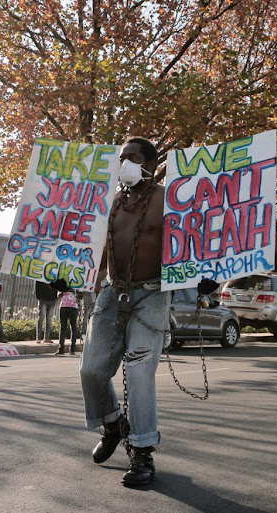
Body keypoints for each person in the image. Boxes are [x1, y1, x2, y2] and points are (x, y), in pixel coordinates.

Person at [79, 136, 169, 487]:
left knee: (139, 368)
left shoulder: (168, 200)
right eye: (121, 158)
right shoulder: (113, 203)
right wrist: (70, 275)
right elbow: (98, 254)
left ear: (150, 163)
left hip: (152, 293)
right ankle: (114, 422)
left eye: (131, 157)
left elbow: (192, 244)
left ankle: (143, 453)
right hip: (111, 293)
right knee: (91, 369)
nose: (124, 164)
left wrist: (203, 278)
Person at [56, 283, 80, 355]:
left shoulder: (78, 281)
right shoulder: (63, 282)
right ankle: (61, 348)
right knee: (63, 327)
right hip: (63, 306)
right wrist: (63, 290)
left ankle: (72, 349)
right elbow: (58, 295)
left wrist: (75, 292)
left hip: (73, 307)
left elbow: (80, 295)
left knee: (73, 327)